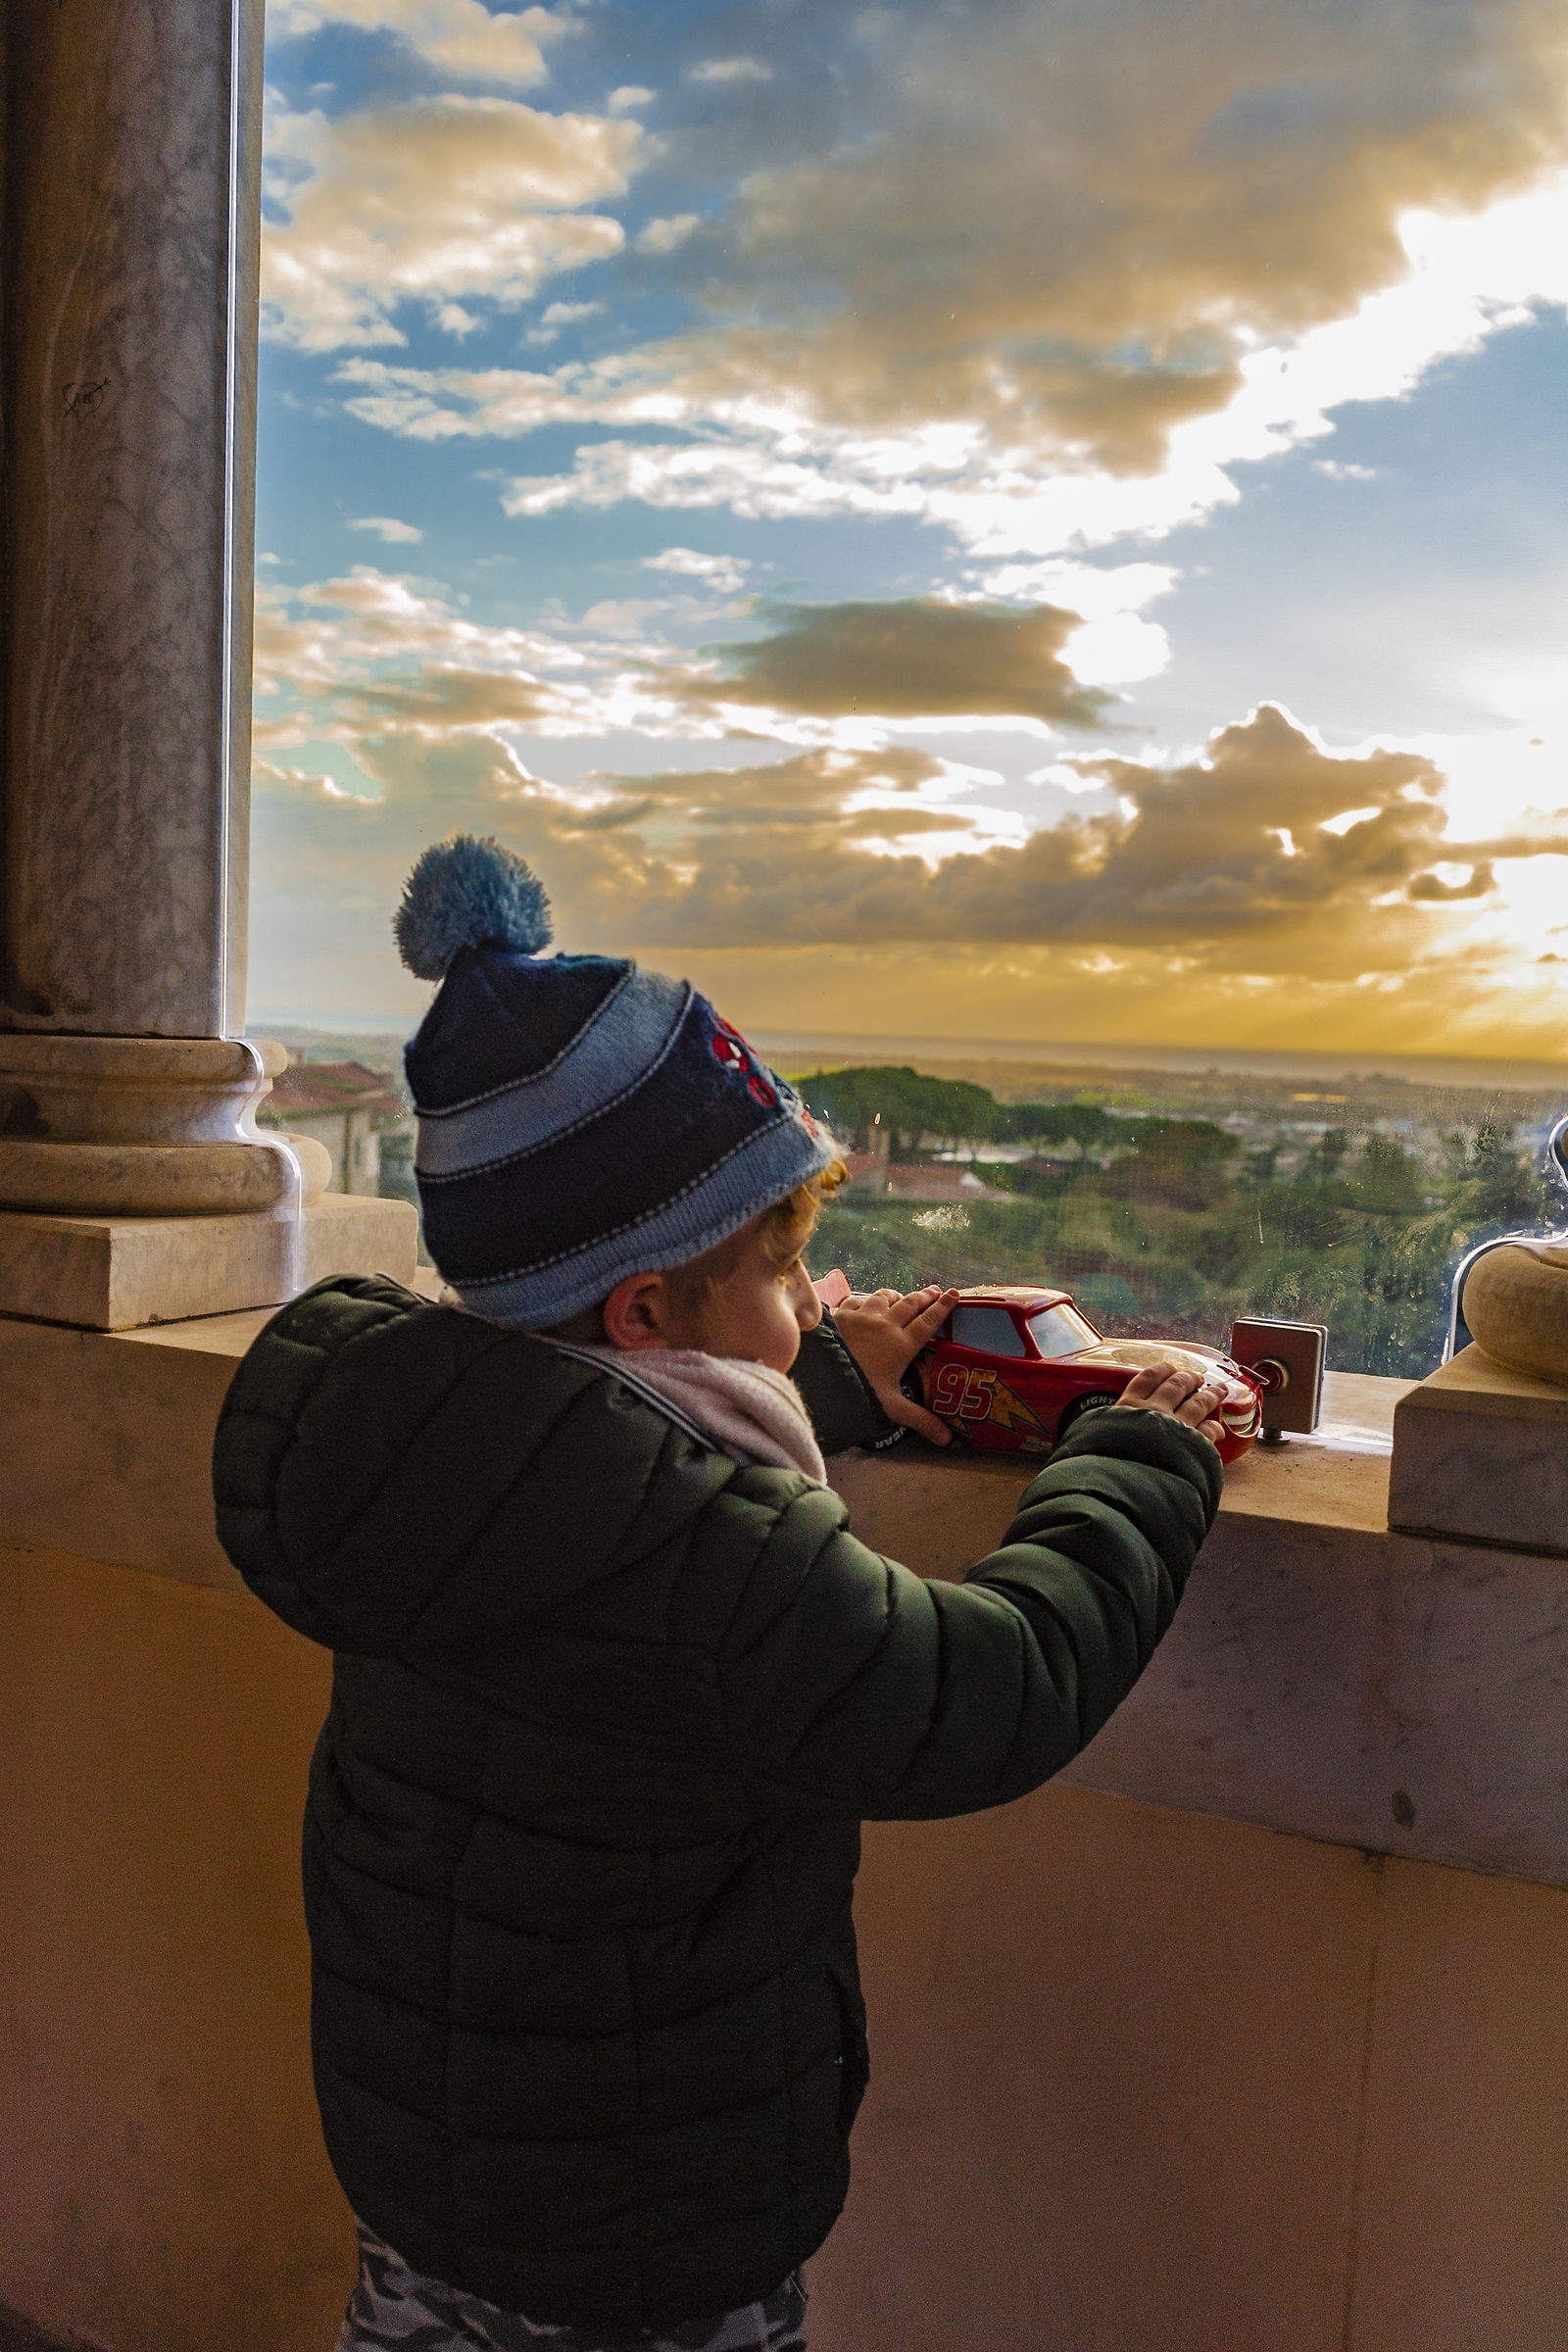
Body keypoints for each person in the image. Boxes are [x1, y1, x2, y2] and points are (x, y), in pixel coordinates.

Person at [213, 837, 1227, 2352]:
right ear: (645, 1311)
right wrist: (1149, 1448)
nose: (815, 1298)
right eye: (781, 1272)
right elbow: (979, 1693)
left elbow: (597, 1427)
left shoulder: (419, 1452)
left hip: (432, 2177)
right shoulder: (706, 1558)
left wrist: (820, 1373)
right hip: (647, 2225)